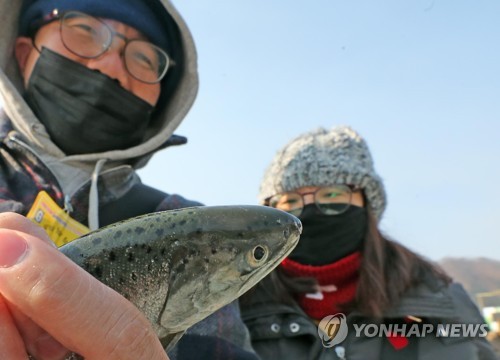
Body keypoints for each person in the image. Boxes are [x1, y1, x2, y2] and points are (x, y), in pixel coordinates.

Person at [0, 0, 257, 359]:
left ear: (159, 100)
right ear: (25, 54)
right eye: (84, 32)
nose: (110, 66)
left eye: (143, 59)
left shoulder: (194, 227)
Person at [240, 126, 497, 359]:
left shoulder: (442, 301)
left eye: (331, 194)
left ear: (368, 205)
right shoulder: (233, 303)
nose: (309, 210)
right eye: (289, 202)